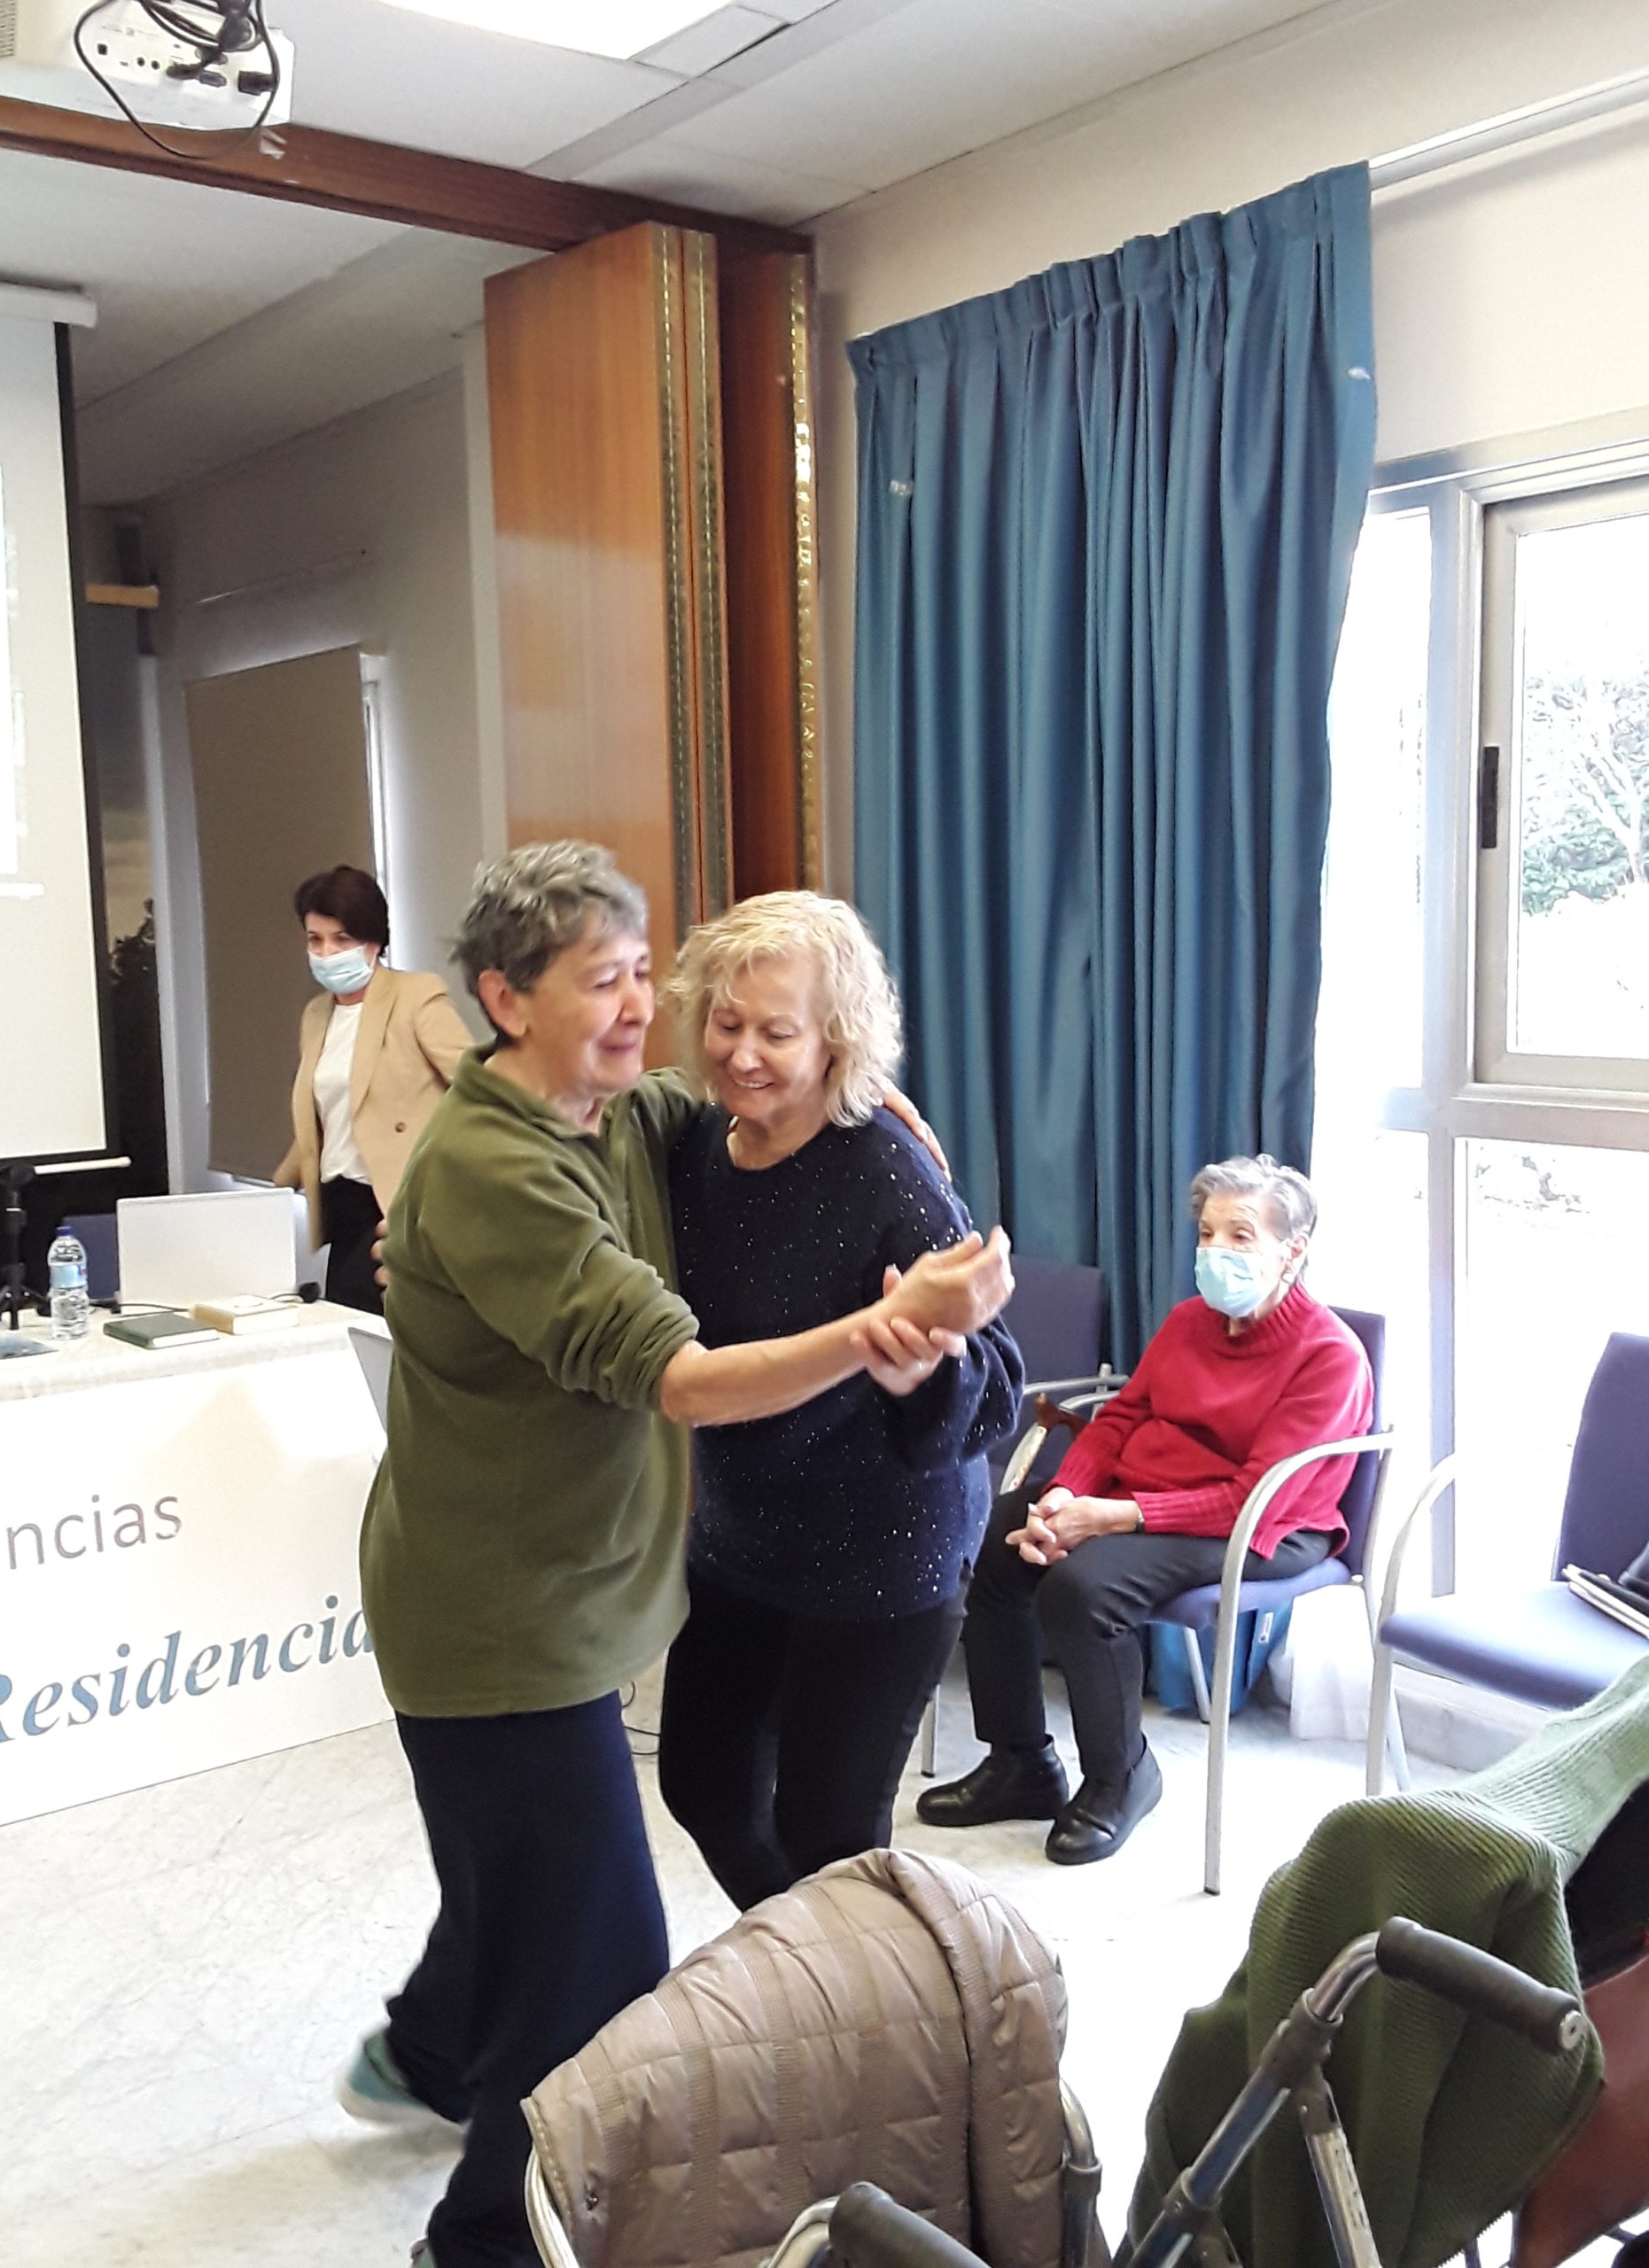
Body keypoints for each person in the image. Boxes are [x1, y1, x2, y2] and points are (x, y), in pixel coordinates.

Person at [342, 843, 1013, 2268]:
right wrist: (879, 1336)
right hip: (529, 1614)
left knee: (587, 1886)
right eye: (617, 984)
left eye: (656, 975)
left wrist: (864, 1113)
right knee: (601, 1938)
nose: (679, 1024)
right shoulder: (564, 1155)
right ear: (505, 1001)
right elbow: (686, 1376)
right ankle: (495, 2221)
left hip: (841, 1565)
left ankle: (467, 2049)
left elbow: (990, 1388)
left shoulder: (660, 1122)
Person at [657, 892, 1024, 1912]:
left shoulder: (887, 1175)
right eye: (727, 1025)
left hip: (880, 1560)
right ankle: (820, 1981)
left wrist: (925, 1370)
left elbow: (999, 1388)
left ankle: (861, 2018)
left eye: (778, 1031)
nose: (744, 1055)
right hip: (742, 1539)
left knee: (831, 1840)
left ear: (837, 1038)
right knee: (702, 1784)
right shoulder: (691, 1150)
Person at [917, 1154, 1372, 1867]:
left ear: (1294, 1251)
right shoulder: (1191, 1322)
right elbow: (1121, 1418)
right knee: (1000, 1538)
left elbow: (1254, 1495)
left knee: (1085, 1587)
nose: (1217, 1250)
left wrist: (1108, 1518)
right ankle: (1022, 1763)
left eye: (1241, 1236)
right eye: (1208, 1233)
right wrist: (1066, 1494)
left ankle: (1122, 1776)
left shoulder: (1330, 1357)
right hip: (1137, 1496)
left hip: (1265, 1525)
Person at [273, 865, 471, 1312]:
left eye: (341, 939)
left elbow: (478, 1088)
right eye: (315, 940)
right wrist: (274, 1190)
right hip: (341, 1203)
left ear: (373, 940)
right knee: (348, 1333)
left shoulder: (415, 996)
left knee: (381, 1339)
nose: (326, 953)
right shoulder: (316, 1015)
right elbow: (325, 1119)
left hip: (397, 1204)